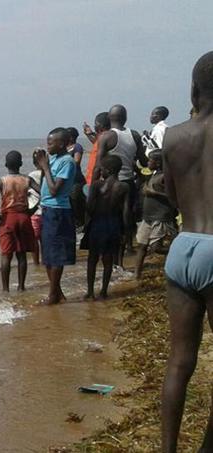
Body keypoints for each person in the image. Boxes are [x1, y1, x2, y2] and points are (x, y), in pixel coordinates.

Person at [160, 51, 213, 453]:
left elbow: (173, 198)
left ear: (194, 88)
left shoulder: (174, 136)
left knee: (180, 361)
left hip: (184, 248)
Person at [95, 104, 147, 253]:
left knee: (111, 215)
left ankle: (113, 246)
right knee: (128, 213)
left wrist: (94, 186)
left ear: (109, 118)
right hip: (129, 181)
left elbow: (98, 165)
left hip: (112, 182)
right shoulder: (135, 135)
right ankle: (129, 245)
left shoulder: (106, 136)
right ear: (125, 118)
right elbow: (143, 160)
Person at [0, 151, 39, 292]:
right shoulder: (27, 180)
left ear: (5, 164)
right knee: (21, 254)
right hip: (24, 217)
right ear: (21, 164)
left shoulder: (2, 181)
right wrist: (32, 210)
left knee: (6, 254)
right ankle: (21, 287)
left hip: (8, 218)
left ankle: (5, 289)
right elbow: (43, 194)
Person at [35, 128, 77, 304]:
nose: (48, 146)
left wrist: (45, 166)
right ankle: (57, 292)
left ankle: (53, 295)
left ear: (61, 144)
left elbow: (54, 190)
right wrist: (41, 163)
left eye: (51, 143)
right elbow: (45, 184)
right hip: (47, 209)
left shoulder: (67, 161)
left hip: (58, 211)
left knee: (57, 254)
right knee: (48, 255)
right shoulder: (54, 159)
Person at [81, 155, 130, 300]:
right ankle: (103, 291)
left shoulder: (97, 185)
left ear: (107, 170)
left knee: (92, 259)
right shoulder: (124, 187)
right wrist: (126, 231)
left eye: (101, 169)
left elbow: (89, 207)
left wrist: (86, 223)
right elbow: (126, 211)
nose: (100, 171)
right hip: (114, 224)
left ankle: (90, 292)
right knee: (108, 259)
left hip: (97, 223)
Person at [134, 151, 177, 279]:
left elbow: (173, 198)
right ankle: (136, 275)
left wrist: (154, 193)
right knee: (142, 245)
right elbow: (142, 173)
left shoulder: (165, 177)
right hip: (147, 217)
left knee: (156, 248)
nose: (147, 163)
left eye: (150, 161)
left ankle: (177, 254)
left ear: (158, 163)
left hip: (161, 216)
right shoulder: (154, 174)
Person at [82, 112, 111, 187]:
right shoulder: (103, 138)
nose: (95, 126)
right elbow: (97, 143)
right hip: (91, 180)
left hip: (96, 182)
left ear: (100, 125)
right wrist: (89, 134)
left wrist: (93, 185)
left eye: (96, 124)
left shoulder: (108, 138)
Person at [66, 127, 87, 227]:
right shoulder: (64, 148)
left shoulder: (77, 147)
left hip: (76, 180)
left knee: (76, 200)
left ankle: (80, 222)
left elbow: (77, 161)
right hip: (66, 180)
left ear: (71, 137)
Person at [28, 151, 44, 265]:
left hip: (34, 211)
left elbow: (27, 191)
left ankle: (36, 263)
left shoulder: (31, 175)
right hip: (46, 211)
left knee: (34, 240)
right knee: (45, 240)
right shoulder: (50, 174)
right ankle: (45, 260)